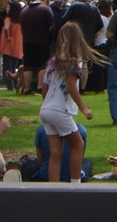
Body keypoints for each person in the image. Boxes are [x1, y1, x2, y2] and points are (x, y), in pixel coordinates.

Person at [38, 22, 91, 184]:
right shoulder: (75, 62)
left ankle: (53, 186)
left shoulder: (53, 61)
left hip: (46, 109)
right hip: (60, 110)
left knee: (56, 151)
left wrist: (48, 104)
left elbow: (44, 87)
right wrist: (84, 108)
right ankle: (75, 184)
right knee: (78, 145)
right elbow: (71, 85)